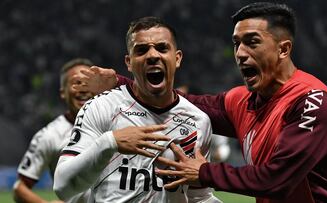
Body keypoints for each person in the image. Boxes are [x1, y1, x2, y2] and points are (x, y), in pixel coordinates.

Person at [75, 2, 327, 203]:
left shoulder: (312, 102)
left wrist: (205, 173)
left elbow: (278, 179)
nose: (240, 53)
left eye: (252, 42)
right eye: (236, 43)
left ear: (283, 49)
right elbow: (181, 102)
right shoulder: (244, 101)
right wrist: (122, 83)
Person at [53, 16, 220, 203]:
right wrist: (110, 142)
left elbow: (198, 197)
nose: (152, 55)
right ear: (129, 62)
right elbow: (62, 187)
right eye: (141, 50)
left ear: (177, 58)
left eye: (162, 48)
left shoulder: (198, 121)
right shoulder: (102, 107)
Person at [13, 58, 96, 203]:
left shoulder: (116, 121)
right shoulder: (49, 135)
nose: (83, 89)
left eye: (88, 82)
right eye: (76, 83)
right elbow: (20, 188)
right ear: (63, 92)